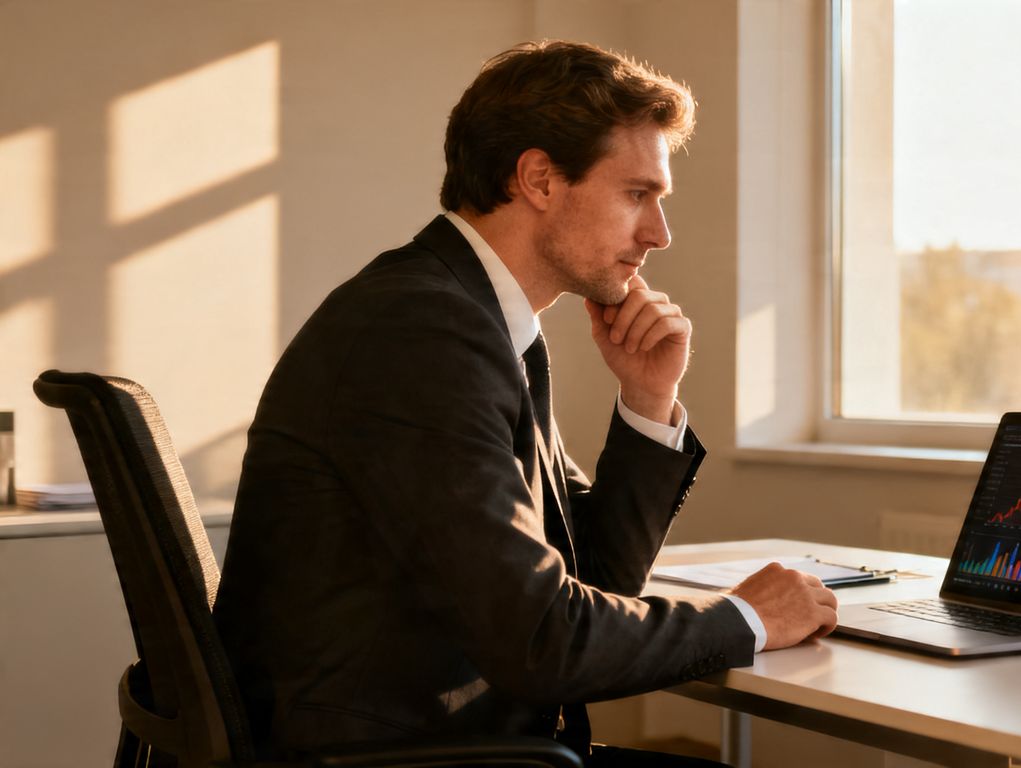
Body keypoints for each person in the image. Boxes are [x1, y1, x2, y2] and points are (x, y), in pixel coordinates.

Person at [212, 40, 838, 766]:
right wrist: (744, 619)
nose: (659, 234)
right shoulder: (421, 330)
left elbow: (591, 581)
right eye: (638, 194)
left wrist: (646, 398)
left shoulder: (484, 324)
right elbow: (544, 643)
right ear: (539, 178)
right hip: (392, 752)